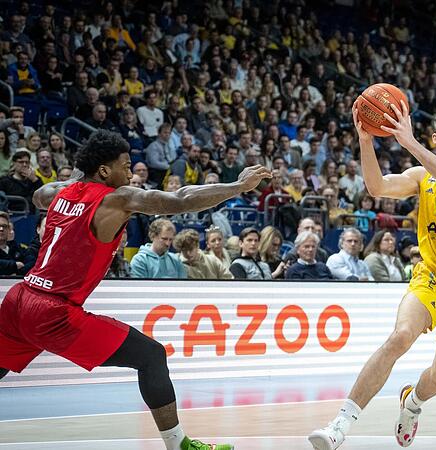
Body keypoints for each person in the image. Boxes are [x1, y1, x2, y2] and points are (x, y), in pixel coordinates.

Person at [0, 129, 269, 450]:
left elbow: (38, 195)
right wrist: (238, 186)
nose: (130, 174)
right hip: (53, 312)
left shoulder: (61, 192)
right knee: (152, 356)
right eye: (125, 166)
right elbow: (180, 199)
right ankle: (179, 445)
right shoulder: (118, 198)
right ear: (104, 170)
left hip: (20, 299)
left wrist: (75, 181)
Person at [309, 106, 436, 450]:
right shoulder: (419, 175)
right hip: (433, 275)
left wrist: (408, 142)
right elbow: (377, 186)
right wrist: (366, 141)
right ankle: (339, 424)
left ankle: (412, 402)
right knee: (401, 336)